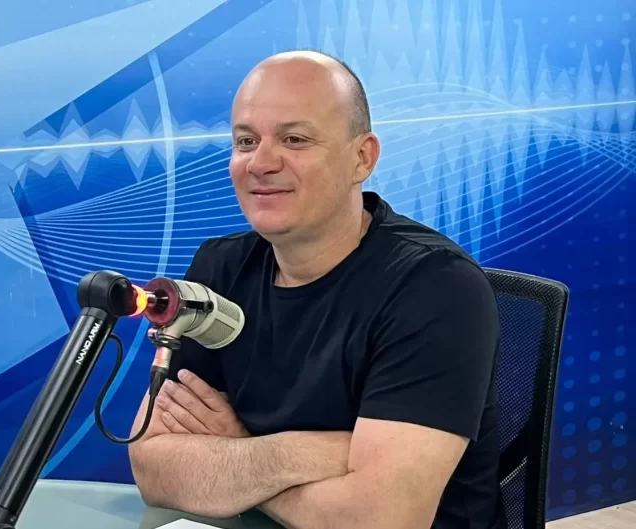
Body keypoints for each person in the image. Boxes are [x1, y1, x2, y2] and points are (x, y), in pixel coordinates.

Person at [128, 50, 507, 529]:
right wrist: (305, 455)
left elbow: (379, 520)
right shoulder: (219, 268)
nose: (261, 162)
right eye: (246, 141)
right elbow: (153, 468)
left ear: (362, 158)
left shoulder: (436, 287)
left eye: (295, 139)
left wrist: (236, 453)